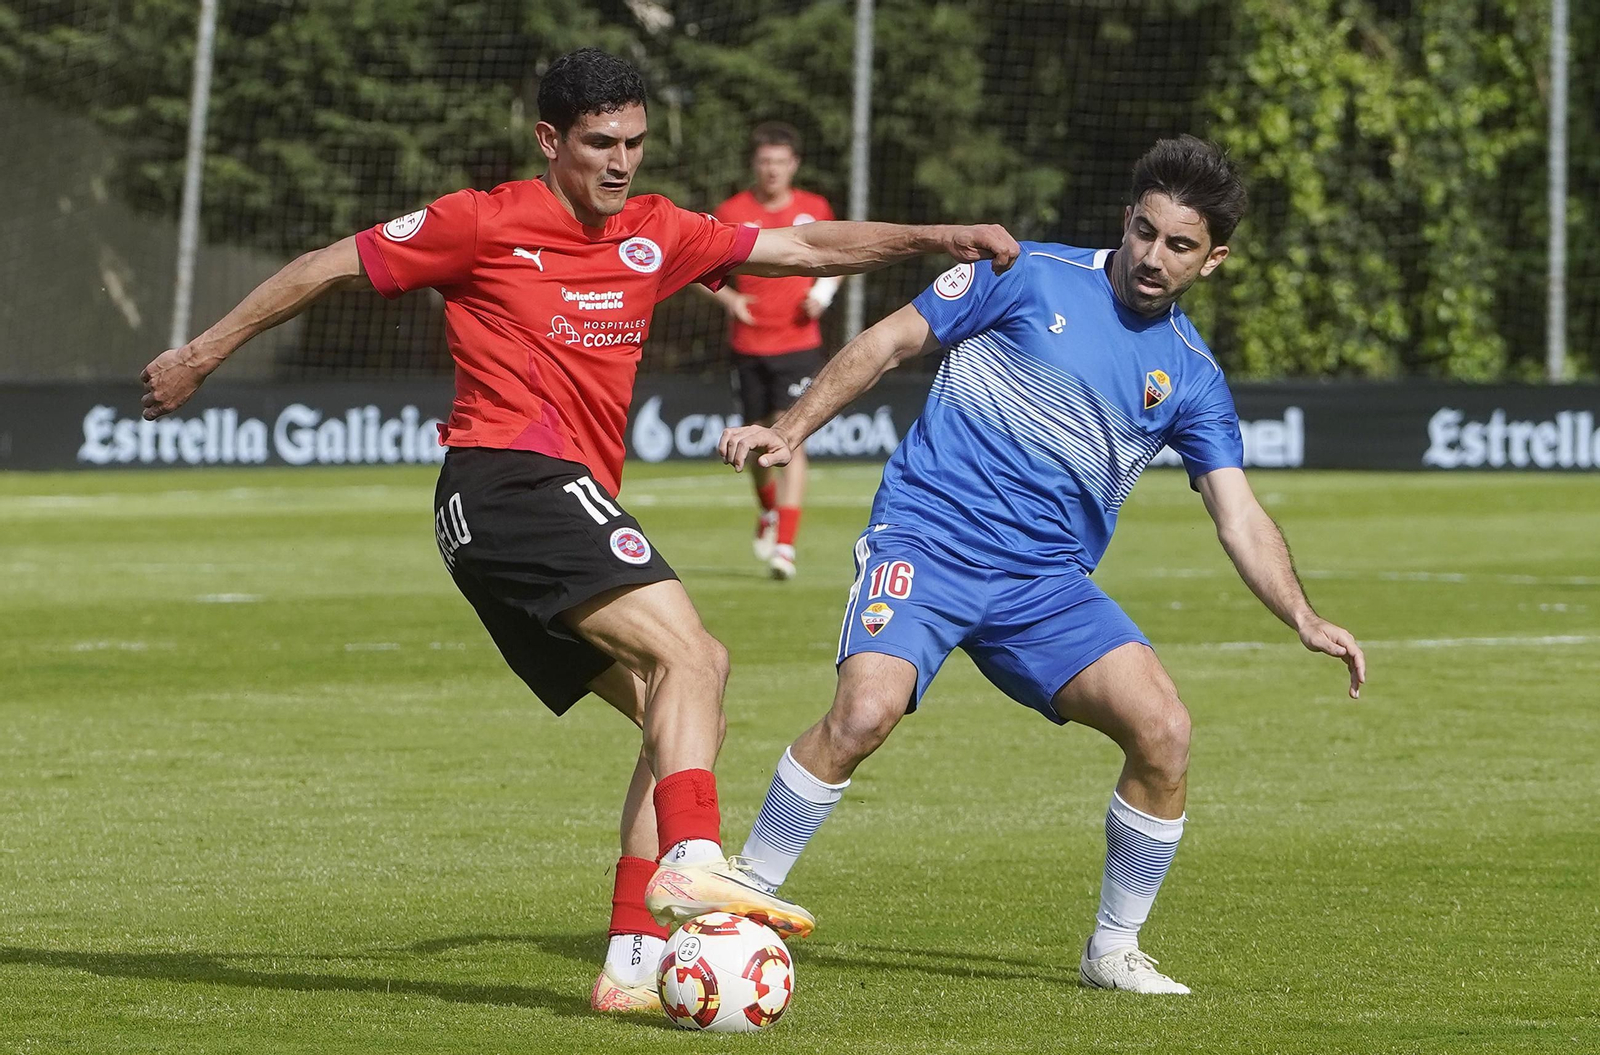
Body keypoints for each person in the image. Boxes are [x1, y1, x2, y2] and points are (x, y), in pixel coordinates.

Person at [138, 47, 1019, 1014]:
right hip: (509, 477)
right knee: (688, 653)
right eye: (601, 142)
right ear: (550, 140)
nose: (622, 162)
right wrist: (198, 354)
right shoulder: (480, 219)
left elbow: (802, 250)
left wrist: (935, 235)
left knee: (687, 691)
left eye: (636, 142)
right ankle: (692, 859)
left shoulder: (656, 231)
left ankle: (633, 961)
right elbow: (324, 266)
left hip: (524, 505)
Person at [717, 135, 1366, 995]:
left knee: (1165, 732)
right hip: (929, 538)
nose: (1153, 256)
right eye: (1145, 231)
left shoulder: (1193, 377)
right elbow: (888, 342)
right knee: (864, 712)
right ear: (1125, 221)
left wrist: (1302, 615)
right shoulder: (1026, 271)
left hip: (1044, 584)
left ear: (1214, 262)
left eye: (1179, 245)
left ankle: (1113, 950)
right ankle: (741, 893)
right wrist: (790, 428)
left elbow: (1237, 513)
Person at [703, 122, 839, 579]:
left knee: (789, 436)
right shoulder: (733, 210)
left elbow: (841, 259)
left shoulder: (814, 209)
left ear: (793, 165)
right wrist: (731, 299)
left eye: (780, 162)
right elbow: (698, 267)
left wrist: (822, 295)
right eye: (765, 161)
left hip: (800, 344)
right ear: (754, 165)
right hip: (748, 346)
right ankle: (766, 510)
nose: (772, 170)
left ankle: (785, 546)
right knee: (756, 438)